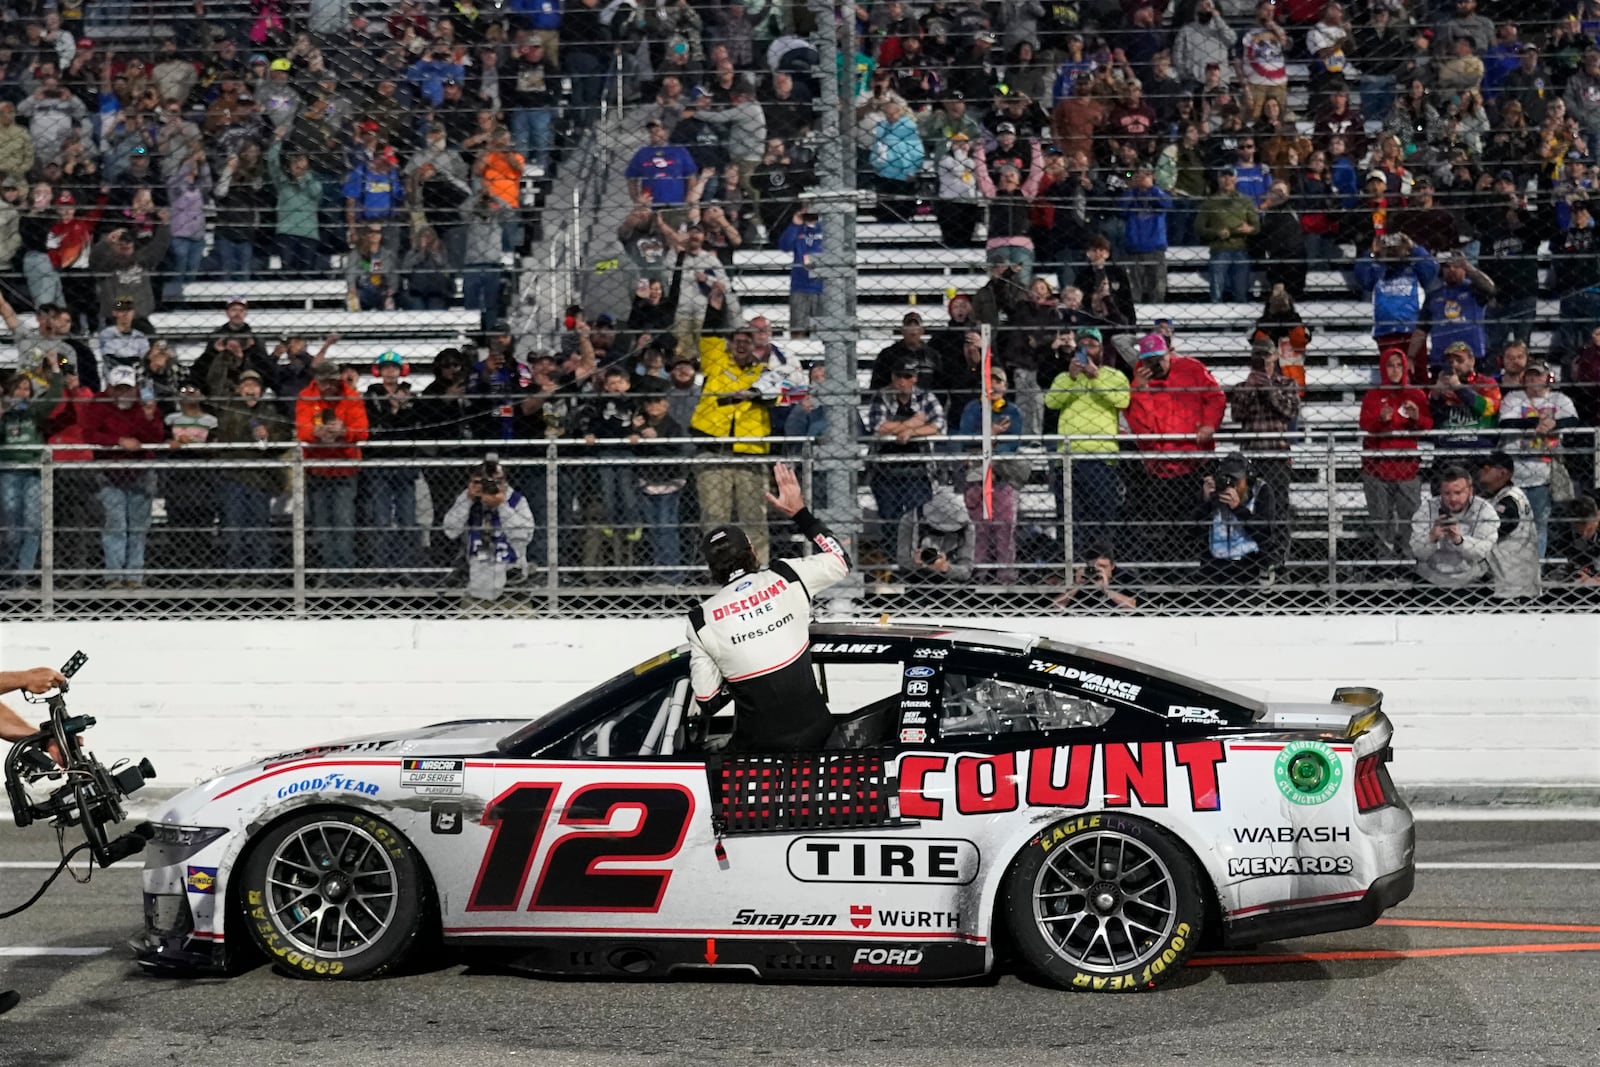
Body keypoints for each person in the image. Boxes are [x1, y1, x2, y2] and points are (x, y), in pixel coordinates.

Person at [686, 462, 851, 753]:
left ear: (712, 569)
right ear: (752, 551)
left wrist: (736, 666)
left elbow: (707, 699)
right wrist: (800, 513)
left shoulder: (701, 620)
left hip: (756, 761)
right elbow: (841, 560)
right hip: (821, 743)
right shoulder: (786, 576)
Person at [1499, 359, 1580, 557]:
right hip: (1514, 473)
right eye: (1530, 375)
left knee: (1538, 525)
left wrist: (1553, 423)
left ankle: (1536, 567)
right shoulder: (1514, 397)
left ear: (1547, 378)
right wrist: (1534, 422)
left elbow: (1573, 419)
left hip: (1542, 474)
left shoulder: (1559, 399)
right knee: (1511, 525)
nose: (1534, 379)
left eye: (1539, 375)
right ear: (1524, 378)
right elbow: (1506, 422)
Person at [1359, 349, 1433, 562]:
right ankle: (1386, 562)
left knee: (1410, 518)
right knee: (1381, 519)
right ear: (1383, 367)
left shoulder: (1415, 394)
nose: (1395, 370)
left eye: (1399, 365)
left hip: (1406, 467)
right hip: (1377, 468)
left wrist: (1416, 418)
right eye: (1390, 365)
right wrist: (1381, 420)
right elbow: (1365, 424)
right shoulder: (1373, 395)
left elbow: (1427, 426)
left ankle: (1411, 561)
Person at [957, 365, 1025, 583]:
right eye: (989, 381)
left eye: (998, 382)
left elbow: (1011, 444)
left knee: (1005, 531)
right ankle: (979, 576)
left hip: (1001, 476)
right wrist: (992, 434)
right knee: (978, 531)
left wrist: (985, 446)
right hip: (976, 476)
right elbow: (966, 440)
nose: (993, 386)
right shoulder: (972, 409)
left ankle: (1006, 577)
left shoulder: (1012, 411)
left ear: (1005, 386)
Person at [442, 454, 535, 604]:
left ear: (505, 481)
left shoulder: (516, 500)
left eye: (498, 481)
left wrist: (502, 506)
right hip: (475, 577)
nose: (491, 486)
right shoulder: (468, 498)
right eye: (486, 481)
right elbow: (450, 531)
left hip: (511, 577)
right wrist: (468, 500)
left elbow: (524, 536)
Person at [1354, 233, 1438, 376]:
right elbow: (1362, 278)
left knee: (1418, 374)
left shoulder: (1415, 268)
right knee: (1391, 376)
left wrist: (1413, 247)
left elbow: (1431, 269)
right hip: (1386, 331)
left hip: (1413, 331)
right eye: (1388, 247)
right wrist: (1372, 252)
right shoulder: (1377, 270)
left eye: (1396, 246)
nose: (1392, 250)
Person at [1194, 452, 1284, 586]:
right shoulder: (1214, 491)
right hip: (1214, 564)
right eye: (1226, 478)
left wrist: (1238, 508)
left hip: (1250, 563)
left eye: (1236, 480)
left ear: (1248, 479)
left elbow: (1265, 533)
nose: (1231, 486)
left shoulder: (1261, 490)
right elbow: (1191, 530)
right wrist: (1206, 501)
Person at [1409, 464, 1497, 599]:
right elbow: (1417, 551)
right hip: (1431, 578)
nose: (1453, 499)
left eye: (1458, 492)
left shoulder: (1484, 510)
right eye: (1447, 493)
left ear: (1470, 491)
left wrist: (1459, 540)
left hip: (1471, 580)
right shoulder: (1427, 509)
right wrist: (1432, 537)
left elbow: (1482, 552)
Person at [1476, 451, 1541, 600]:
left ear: (1502, 473)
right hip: (1508, 583)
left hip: (1512, 587)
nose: (1480, 471)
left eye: (1486, 467)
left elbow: (1493, 530)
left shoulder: (1510, 500)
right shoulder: (1498, 495)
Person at [896, 482, 976, 584]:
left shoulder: (967, 526)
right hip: (914, 580)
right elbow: (903, 561)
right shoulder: (910, 520)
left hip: (951, 583)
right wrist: (917, 563)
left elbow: (966, 570)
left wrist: (946, 568)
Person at [1055, 545, 1140, 610]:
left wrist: (1106, 590)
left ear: (1113, 566)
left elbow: (1134, 606)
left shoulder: (1124, 578)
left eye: (1103, 566)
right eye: (1094, 567)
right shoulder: (1085, 579)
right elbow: (1056, 607)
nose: (1099, 570)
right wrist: (1077, 585)